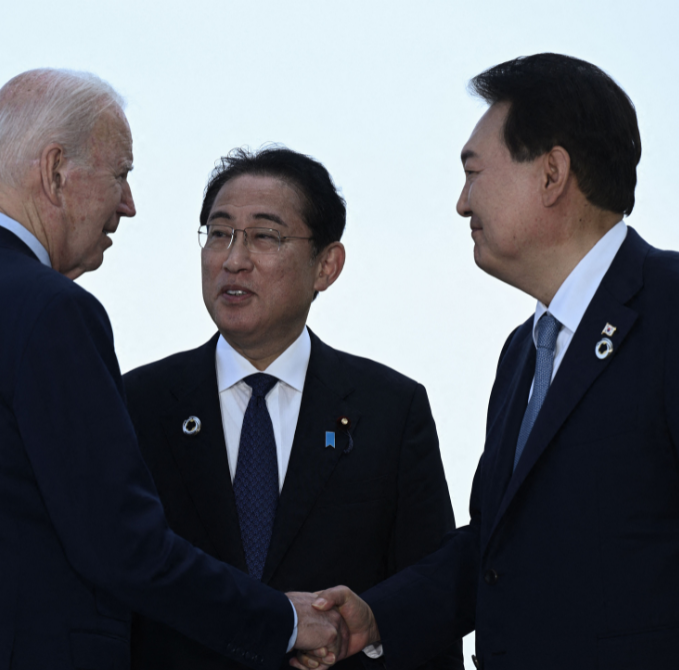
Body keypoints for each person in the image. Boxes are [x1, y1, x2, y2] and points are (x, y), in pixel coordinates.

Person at [295, 53, 679, 670]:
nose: (462, 203)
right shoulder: (523, 353)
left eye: (474, 171)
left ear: (551, 174)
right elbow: (494, 550)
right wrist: (378, 615)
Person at [0, 68, 346, 670]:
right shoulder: (51, 311)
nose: (128, 206)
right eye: (121, 175)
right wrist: (282, 621)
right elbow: (122, 547)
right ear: (55, 172)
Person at [123, 146, 462, 669]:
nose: (233, 259)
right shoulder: (138, 404)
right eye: (218, 233)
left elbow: (427, 598)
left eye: (264, 236)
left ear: (326, 265)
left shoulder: (390, 411)